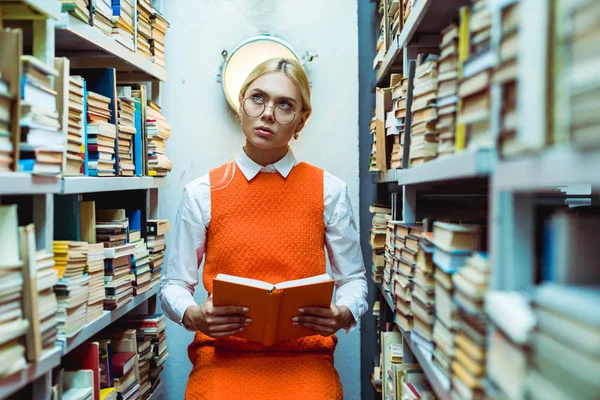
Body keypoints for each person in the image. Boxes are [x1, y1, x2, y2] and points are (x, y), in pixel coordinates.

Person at [161, 57, 368, 399]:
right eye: (258, 98)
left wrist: (343, 313)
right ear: (241, 104)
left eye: (285, 105)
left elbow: (354, 279)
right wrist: (193, 315)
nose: (268, 113)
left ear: (301, 120)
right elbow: (173, 284)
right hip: (222, 355)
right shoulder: (202, 192)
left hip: (306, 355)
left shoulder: (329, 191)